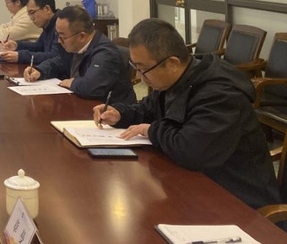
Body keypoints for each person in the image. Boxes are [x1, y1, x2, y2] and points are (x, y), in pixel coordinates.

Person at [94, 18, 279, 210]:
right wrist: (121, 114)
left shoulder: (220, 94)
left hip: (240, 202)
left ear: (172, 63)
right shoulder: (177, 78)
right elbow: (147, 110)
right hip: (199, 187)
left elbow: (191, 150)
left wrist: (151, 130)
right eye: (136, 69)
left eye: (143, 69)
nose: (140, 77)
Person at [24, 5, 136, 104]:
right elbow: (59, 62)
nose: (59, 41)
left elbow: (91, 86)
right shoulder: (74, 46)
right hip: (84, 105)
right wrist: (40, 71)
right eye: (58, 35)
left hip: (112, 113)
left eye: (63, 36)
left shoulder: (105, 53)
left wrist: (72, 83)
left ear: (81, 36)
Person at [0, 0, 59, 65]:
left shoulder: (60, 25)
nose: (31, 18)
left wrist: (21, 56)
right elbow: (38, 46)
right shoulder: (48, 25)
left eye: (32, 12)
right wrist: (16, 45)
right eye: (29, 14)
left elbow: (54, 56)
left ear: (47, 9)